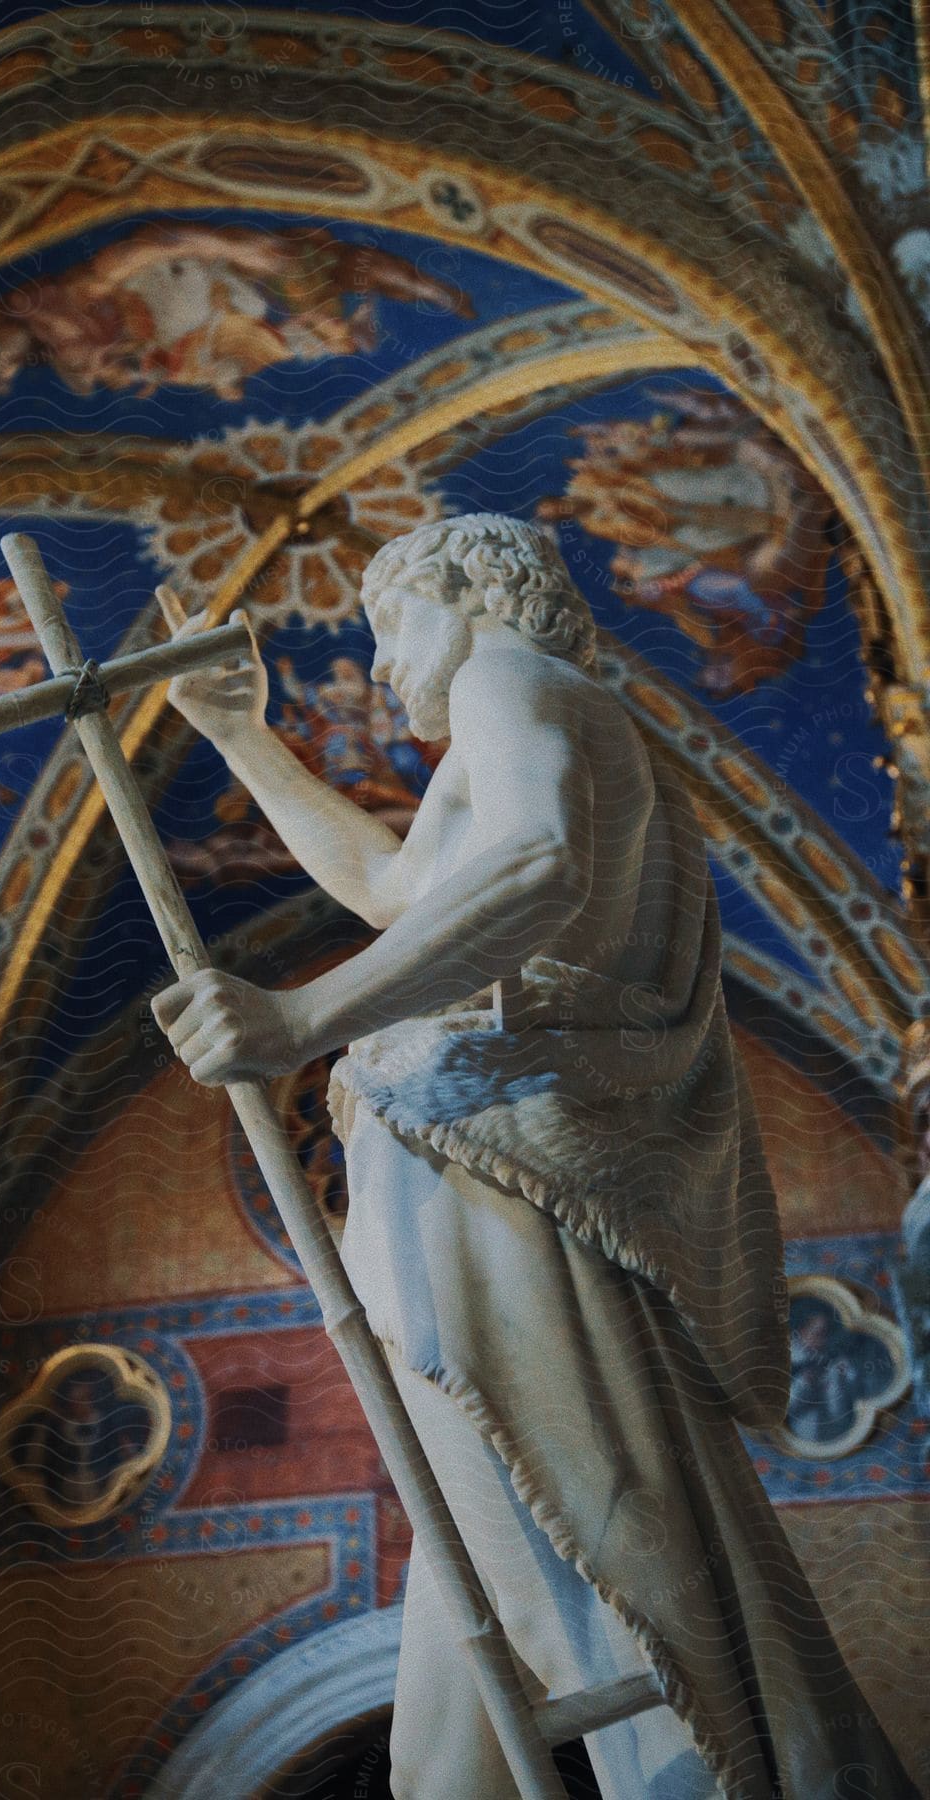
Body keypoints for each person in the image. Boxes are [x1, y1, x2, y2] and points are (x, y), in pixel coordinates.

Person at [151, 514, 917, 1799]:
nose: (387, 671)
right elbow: (404, 887)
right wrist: (241, 736)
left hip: (497, 1169)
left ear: (465, 590)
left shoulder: (516, 677)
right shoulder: (520, 722)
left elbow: (536, 864)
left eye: (390, 627)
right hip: (460, 1155)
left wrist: (301, 1019)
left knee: (607, 1540)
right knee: (460, 1698)